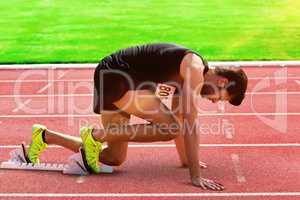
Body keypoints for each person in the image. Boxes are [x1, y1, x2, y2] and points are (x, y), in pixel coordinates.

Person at [27, 43, 248, 190]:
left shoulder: (187, 80)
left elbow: (180, 117)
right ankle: (95, 135)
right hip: (117, 75)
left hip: (114, 77)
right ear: (222, 82)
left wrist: (186, 161)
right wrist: (195, 176)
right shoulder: (194, 68)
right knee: (172, 128)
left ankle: (45, 137)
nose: (215, 101)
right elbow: (188, 124)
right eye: (221, 97)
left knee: (114, 157)